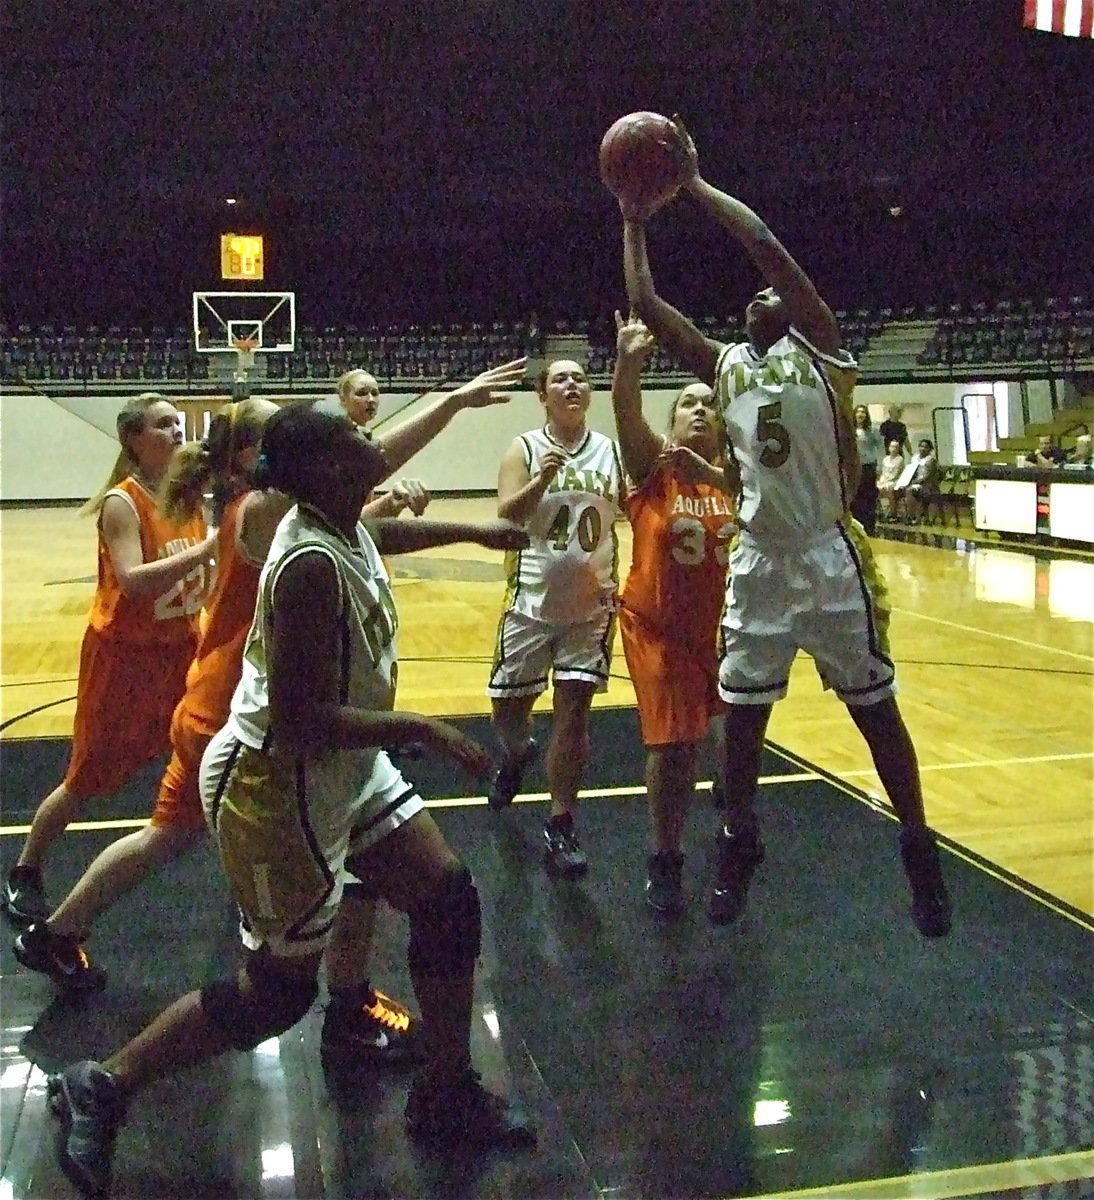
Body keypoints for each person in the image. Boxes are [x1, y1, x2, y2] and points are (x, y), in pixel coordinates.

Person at [47, 405, 536, 1200]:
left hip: (340, 763)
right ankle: (102, 1084)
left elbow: (383, 540)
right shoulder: (305, 561)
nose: (371, 440)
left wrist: (475, 533)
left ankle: (446, 1094)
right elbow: (300, 722)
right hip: (279, 781)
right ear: (329, 474)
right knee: (274, 992)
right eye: (355, 441)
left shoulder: (339, 523)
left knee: (447, 899)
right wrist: (422, 726)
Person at [620, 117, 951, 938]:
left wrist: (692, 185)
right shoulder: (729, 365)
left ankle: (918, 846)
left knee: (877, 712)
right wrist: (632, 217)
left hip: (829, 556)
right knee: (743, 721)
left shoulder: (825, 351)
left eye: (774, 294)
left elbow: (765, 244)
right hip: (762, 560)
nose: (763, 294)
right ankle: (738, 840)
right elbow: (645, 305)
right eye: (755, 297)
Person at [3, 394, 217, 926]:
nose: (175, 432)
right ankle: (26, 869)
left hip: (180, 647)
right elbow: (134, 582)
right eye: (163, 425)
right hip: (124, 656)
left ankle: (206, 841)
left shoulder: (190, 499)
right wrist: (210, 550)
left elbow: (200, 582)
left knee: (210, 743)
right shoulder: (123, 502)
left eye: (177, 424)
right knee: (88, 777)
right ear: (133, 440)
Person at [612, 310, 735, 913]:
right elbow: (627, 418)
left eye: (709, 402)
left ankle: (732, 819)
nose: (699, 409)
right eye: (688, 401)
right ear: (673, 418)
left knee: (729, 737)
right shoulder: (655, 469)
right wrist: (628, 363)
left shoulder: (736, 479)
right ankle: (665, 857)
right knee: (674, 745)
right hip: (655, 627)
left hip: (719, 631)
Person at [486, 358, 626, 876]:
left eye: (581, 378)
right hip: (530, 603)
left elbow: (632, 509)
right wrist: (541, 480)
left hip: (591, 608)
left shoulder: (612, 452)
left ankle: (561, 823)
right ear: (543, 396)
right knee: (507, 710)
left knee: (574, 715)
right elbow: (509, 515)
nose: (572, 384)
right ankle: (518, 752)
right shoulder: (522, 448)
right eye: (560, 379)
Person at [849, 404, 885, 534]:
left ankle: (869, 524)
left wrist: (880, 465)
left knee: (869, 496)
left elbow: (881, 448)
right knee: (855, 496)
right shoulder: (849, 430)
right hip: (853, 467)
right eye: (858, 412)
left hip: (868, 467)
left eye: (863, 412)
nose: (860, 414)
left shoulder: (872, 431)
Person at [901, 438, 941, 524]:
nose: (923, 449)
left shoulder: (931, 460)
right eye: (921, 446)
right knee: (906, 488)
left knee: (910, 491)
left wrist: (918, 481)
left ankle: (912, 516)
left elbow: (929, 475)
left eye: (926, 447)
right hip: (916, 483)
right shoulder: (915, 458)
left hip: (928, 485)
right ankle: (913, 515)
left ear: (930, 449)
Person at [876, 439, 906, 521]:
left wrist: (886, 482)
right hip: (884, 480)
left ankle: (893, 515)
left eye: (896, 447)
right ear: (889, 448)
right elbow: (883, 472)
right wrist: (882, 481)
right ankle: (880, 513)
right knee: (874, 489)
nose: (894, 449)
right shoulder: (885, 459)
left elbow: (895, 474)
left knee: (890, 489)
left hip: (895, 481)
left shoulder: (900, 459)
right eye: (892, 446)